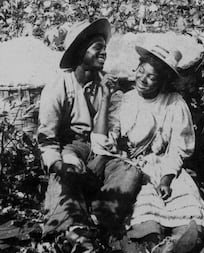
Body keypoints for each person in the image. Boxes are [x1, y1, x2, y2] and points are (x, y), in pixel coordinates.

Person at [91, 43, 204, 252]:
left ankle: (180, 241)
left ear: (163, 81)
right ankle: (151, 243)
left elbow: (178, 147)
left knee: (187, 208)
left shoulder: (174, 103)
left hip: (166, 166)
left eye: (152, 77)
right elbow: (103, 142)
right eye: (141, 71)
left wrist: (167, 178)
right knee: (145, 215)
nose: (143, 79)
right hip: (134, 167)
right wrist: (105, 98)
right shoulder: (125, 100)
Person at [37, 18, 142, 250]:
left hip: (98, 151)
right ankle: (71, 227)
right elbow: (47, 138)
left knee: (129, 171)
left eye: (104, 48)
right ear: (79, 51)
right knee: (65, 178)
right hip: (69, 149)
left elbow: (104, 140)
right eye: (97, 48)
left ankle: (98, 217)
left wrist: (104, 98)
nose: (104, 53)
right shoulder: (59, 86)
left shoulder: (108, 87)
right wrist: (59, 165)